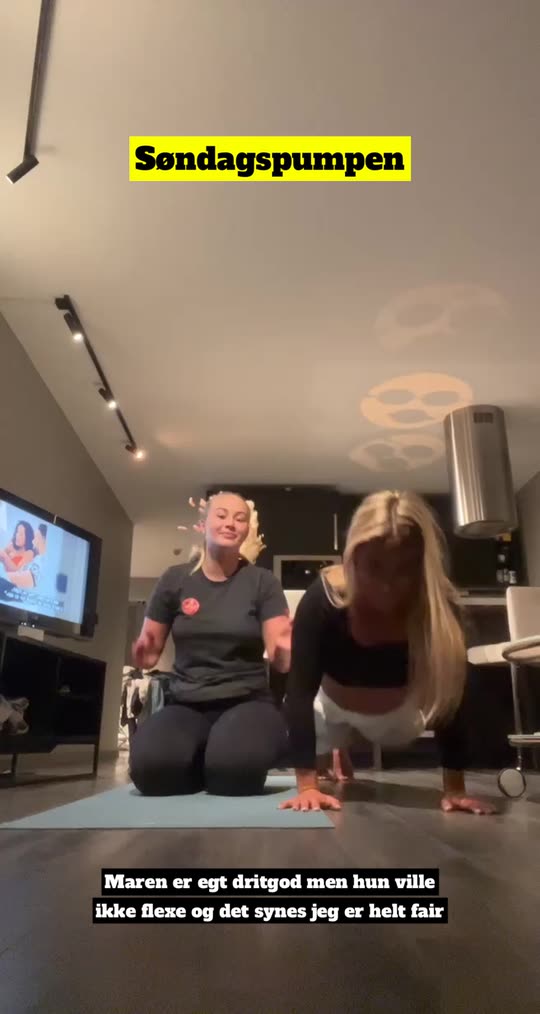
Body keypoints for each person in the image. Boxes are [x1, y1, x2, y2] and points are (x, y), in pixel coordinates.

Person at [280, 490, 496, 816]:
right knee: (320, 731)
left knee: (458, 678)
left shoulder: (439, 606)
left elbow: (450, 699)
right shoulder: (323, 598)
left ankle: (342, 745)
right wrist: (307, 787)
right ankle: (337, 746)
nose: (387, 584)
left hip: (398, 722)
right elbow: (299, 692)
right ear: (353, 560)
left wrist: (455, 788)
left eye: (404, 569)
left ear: (422, 566)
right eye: (375, 567)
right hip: (330, 710)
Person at [129, 491, 291, 796]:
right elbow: (148, 657)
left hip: (248, 703)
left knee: (235, 773)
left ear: (246, 530)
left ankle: (220, 759)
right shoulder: (174, 579)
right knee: (150, 770)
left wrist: (286, 646)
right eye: (222, 515)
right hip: (186, 704)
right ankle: (205, 759)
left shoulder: (263, 582)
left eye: (240, 518)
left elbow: (282, 661)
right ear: (203, 525)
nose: (230, 523)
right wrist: (142, 650)